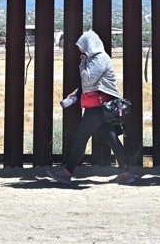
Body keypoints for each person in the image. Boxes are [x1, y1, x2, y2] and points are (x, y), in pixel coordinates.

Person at [46, 30, 137, 185]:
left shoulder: (99, 59)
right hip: (101, 106)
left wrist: (82, 63)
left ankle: (66, 172)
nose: (80, 50)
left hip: (98, 107)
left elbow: (88, 79)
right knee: (111, 138)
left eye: (82, 47)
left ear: (89, 45)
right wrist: (76, 93)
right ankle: (126, 172)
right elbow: (91, 83)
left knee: (81, 138)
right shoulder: (95, 59)